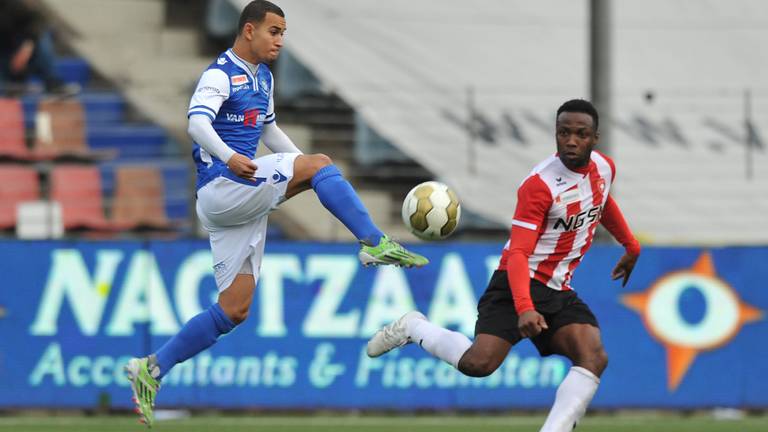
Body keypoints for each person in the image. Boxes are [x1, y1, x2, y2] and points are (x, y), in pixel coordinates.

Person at [124, 0, 428, 426]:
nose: (280, 40)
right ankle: (375, 243)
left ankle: (152, 369)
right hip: (225, 186)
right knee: (319, 166)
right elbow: (196, 124)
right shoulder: (220, 73)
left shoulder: (262, 77)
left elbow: (267, 129)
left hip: (236, 199)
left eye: (283, 32)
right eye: (274, 31)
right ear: (249, 30)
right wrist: (233, 158)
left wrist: (315, 171)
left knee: (234, 310)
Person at [368, 99, 641, 432]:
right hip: (516, 284)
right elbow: (517, 254)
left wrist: (630, 243)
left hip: (558, 288)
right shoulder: (538, 187)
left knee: (594, 356)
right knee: (478, 364)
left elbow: (601, 201)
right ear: (555, 134)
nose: (571, 140)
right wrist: (524, 307)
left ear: (594, 137)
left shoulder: (604, 168)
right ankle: (414, 328)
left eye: (580, 134)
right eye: (563, 132)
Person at [0, 0, 76, 94]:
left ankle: (53, 82)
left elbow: (37, 21)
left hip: (17, 55)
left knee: (42, 39)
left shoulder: (12, 5)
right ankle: (8, 87)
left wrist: (26, 49)